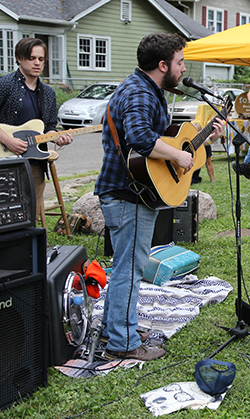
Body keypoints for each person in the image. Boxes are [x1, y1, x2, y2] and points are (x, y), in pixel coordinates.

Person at [95, 33, 224, 361]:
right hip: (128, 194)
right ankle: (122, 343)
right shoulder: (140, 92)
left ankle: (118, 326)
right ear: (163, 64)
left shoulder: (144, 88)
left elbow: (161, 138)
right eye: (180, 62)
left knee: (126, 265)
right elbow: (140, 139)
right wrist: (180, 158)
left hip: (133, 191)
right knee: (129, 269)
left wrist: (199, 139)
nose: (183, 69)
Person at [0, 37, 74, 222]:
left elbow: (50, 127)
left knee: (31, 214)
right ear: (19, 58)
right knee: (4, 213)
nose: (37, 63)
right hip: (4, 160)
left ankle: (31, 248)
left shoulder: (48, 93)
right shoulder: (4, 84)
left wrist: (58, 138)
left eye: (41, 59)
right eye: (31, 58)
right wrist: (8, 140)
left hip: (35, 163)